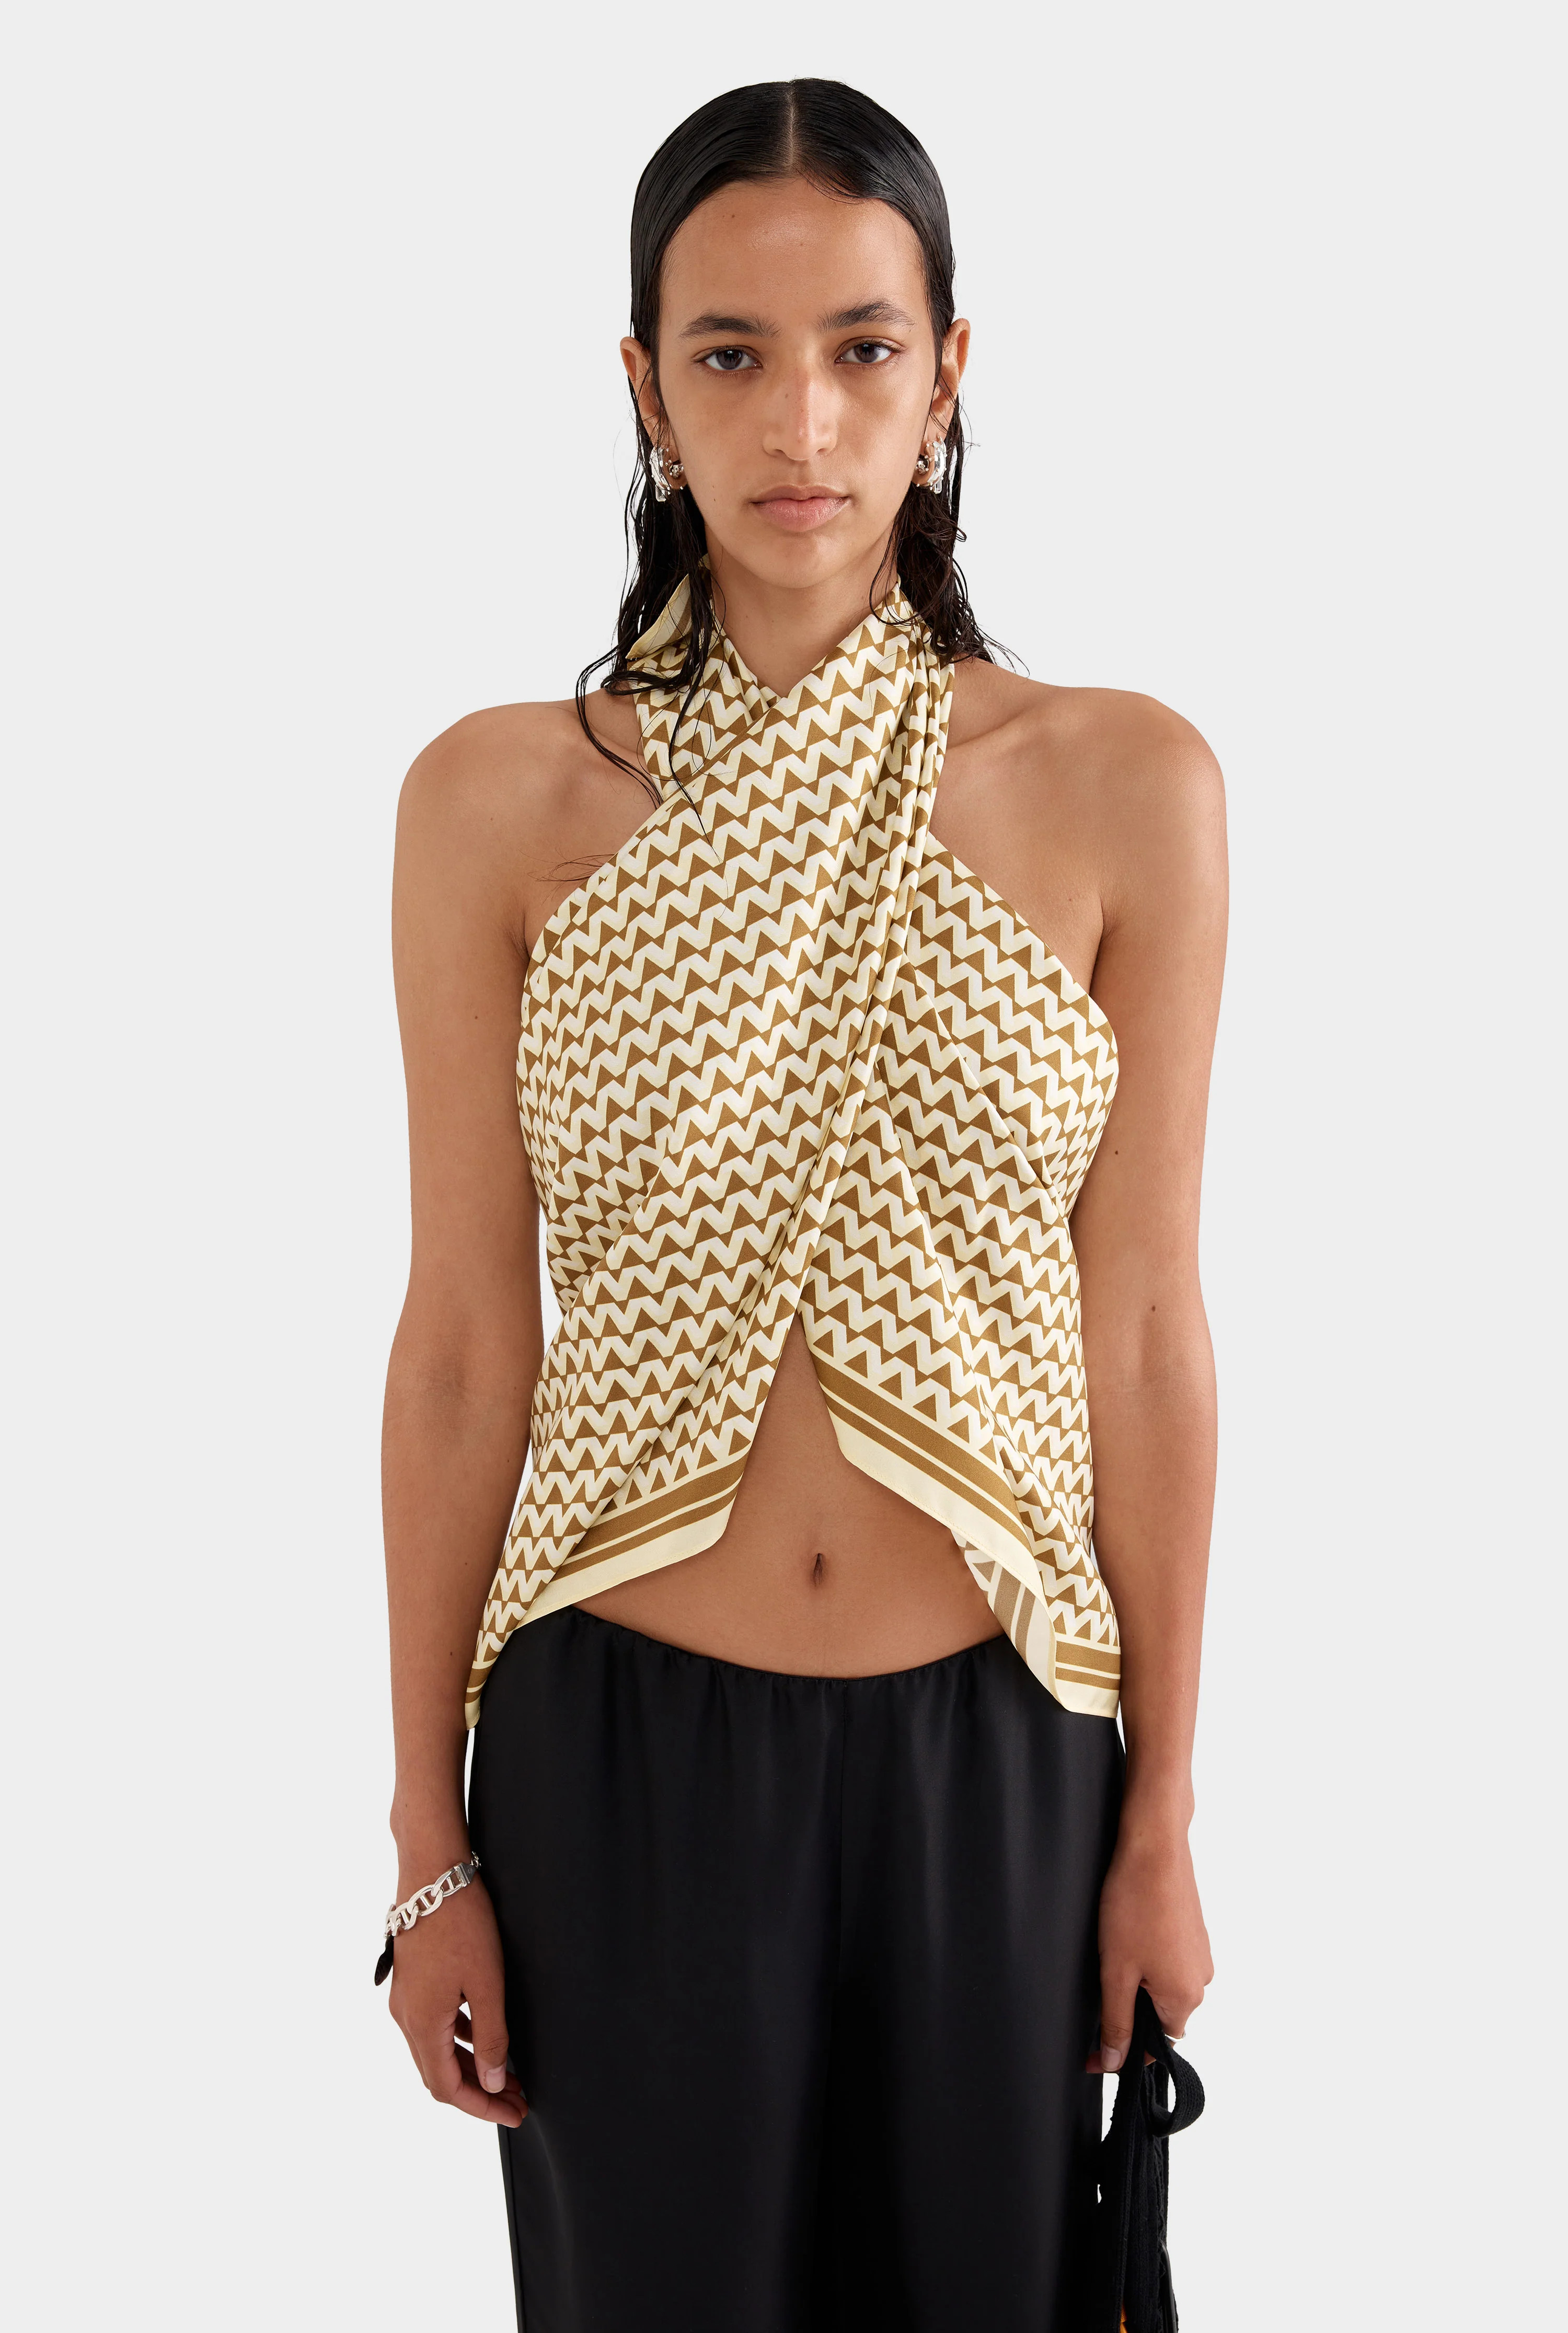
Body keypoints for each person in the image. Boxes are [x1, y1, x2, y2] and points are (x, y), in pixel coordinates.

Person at [380, 77, 1223, 2333]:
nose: (804, 423)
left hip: (1000, 1750)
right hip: (620, 1754)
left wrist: (1160, 1817)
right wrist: (428, 1846)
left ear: (950, 377)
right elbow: (464, 1337)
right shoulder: (497, 804)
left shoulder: (1126, 787)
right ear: (644, 390)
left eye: (863, 348)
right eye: (732, 354)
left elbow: (1146, 1325)